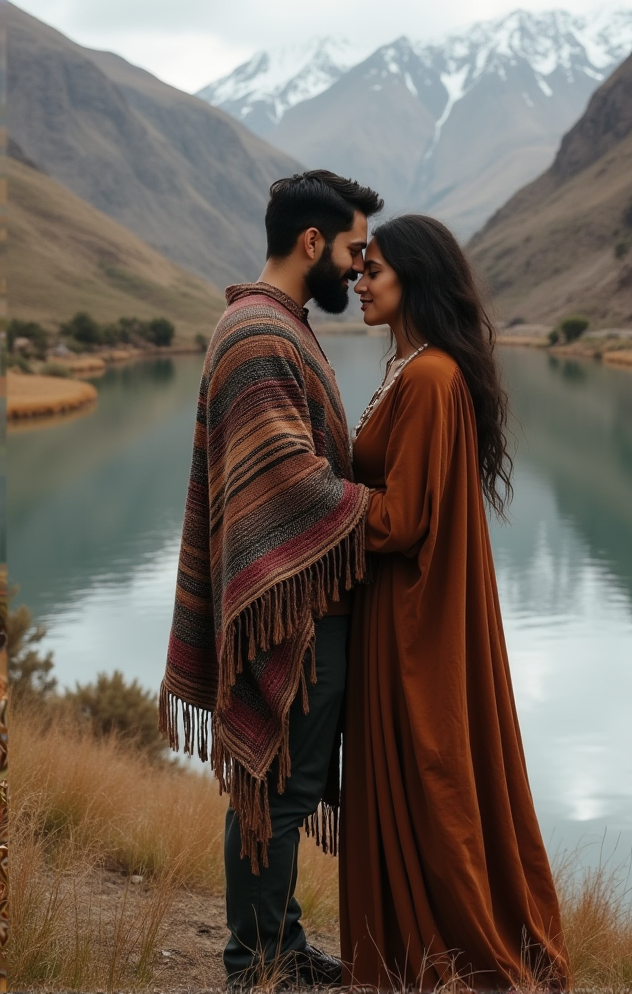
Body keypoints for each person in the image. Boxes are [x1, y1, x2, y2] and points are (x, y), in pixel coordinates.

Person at [158, 170, 383, 989]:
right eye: (354, 250)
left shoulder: (273, 322)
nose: (360, 270)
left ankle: (279, 943)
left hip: (296, 592)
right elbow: (289, 479)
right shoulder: (259, 333)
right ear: (312, 243)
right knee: (278, 785)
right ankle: (255, 963)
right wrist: (385, 510)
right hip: (287, 603)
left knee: (288, 780)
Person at [339, 215, 570, 992]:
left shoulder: (432, 378)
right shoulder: (412, 371)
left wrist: (317, 499)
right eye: (358, 270)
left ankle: (453, 954)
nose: (358, 283)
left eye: (372, 271)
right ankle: (406, 951)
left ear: (414, 279)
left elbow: (401, 521)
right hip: (401, 613)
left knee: (431, 777)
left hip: (412, 621)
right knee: (422, 778)